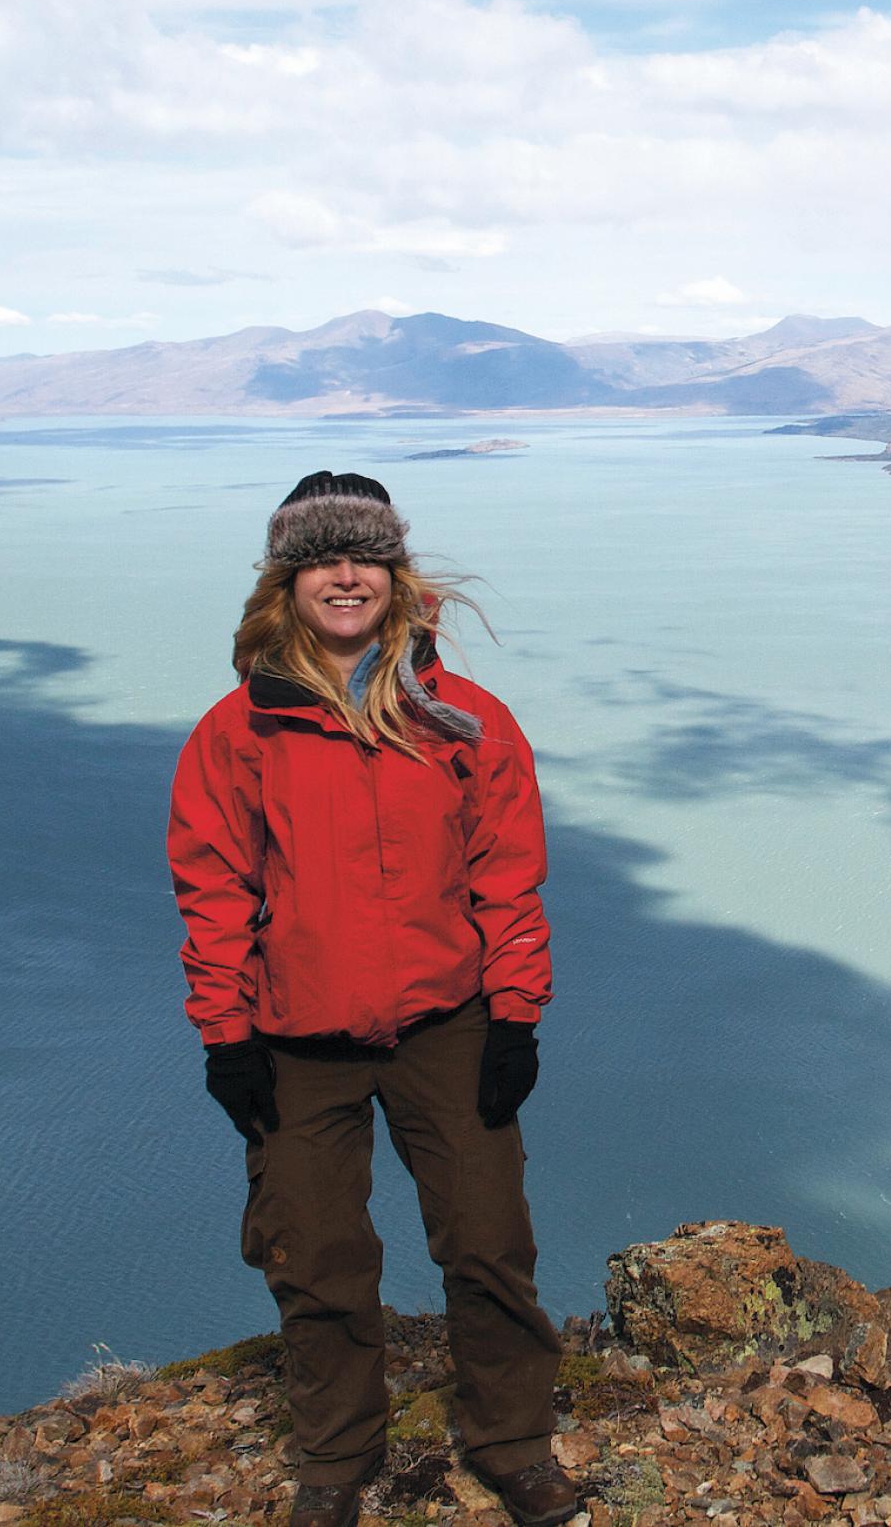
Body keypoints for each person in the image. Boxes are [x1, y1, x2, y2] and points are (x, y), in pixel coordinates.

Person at [166, 471, 580, 1527]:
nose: (344, 576)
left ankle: (512, 1441)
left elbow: (508, 872)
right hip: (295, 1038)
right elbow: (213, 885)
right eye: (320, 559)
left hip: (449, 1024)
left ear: (393, 576)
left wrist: (517, 1012)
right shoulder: (239, 731)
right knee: (315, 1256)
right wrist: (226, 1036)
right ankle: (337, 1463)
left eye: (364, 557)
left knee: (489, 1243)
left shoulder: (466, 719)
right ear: (288, 582)